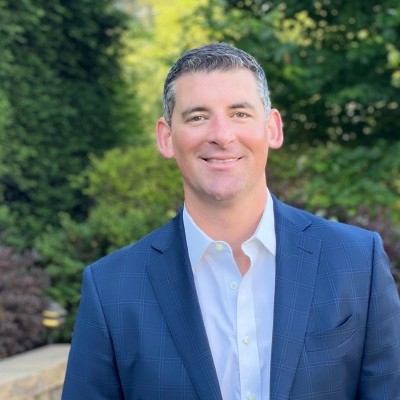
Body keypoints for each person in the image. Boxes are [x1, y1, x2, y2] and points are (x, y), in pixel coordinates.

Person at [62, 43, 400, 400]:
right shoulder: (111, 288)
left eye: (239, 113)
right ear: (166, 137)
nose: (222, 135)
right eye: (197, 117)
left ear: (272, 129)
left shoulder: (356, 261)